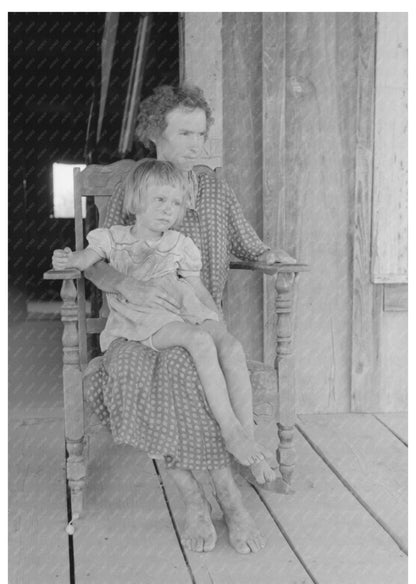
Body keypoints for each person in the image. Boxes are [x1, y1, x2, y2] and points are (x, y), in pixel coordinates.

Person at [82, 84, 296, 554]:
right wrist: (124, 283)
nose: (196, 144)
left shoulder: (214, 188)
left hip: (196, 319)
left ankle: (213, 488)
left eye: (201, 133)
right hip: (140, 327)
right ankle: (216, 500)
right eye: (185, 133)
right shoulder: (134, 186)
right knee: (183, 373)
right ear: (155, 134)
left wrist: (267, 254)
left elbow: (246, 240)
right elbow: (99, 256)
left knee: (208, 359)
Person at [52, 158, 271, 469]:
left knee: (231, 347)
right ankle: (230, 429)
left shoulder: (179, 243)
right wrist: (67, 259)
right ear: (137, 201)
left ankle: (248, 441)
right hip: (143, 320)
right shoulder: (113, 238)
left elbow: (195, 288)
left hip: (182, 310)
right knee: (198, 340)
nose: (169, 209)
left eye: (176, 202)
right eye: (160, 199)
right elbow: (85, 260)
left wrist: (215, 319)